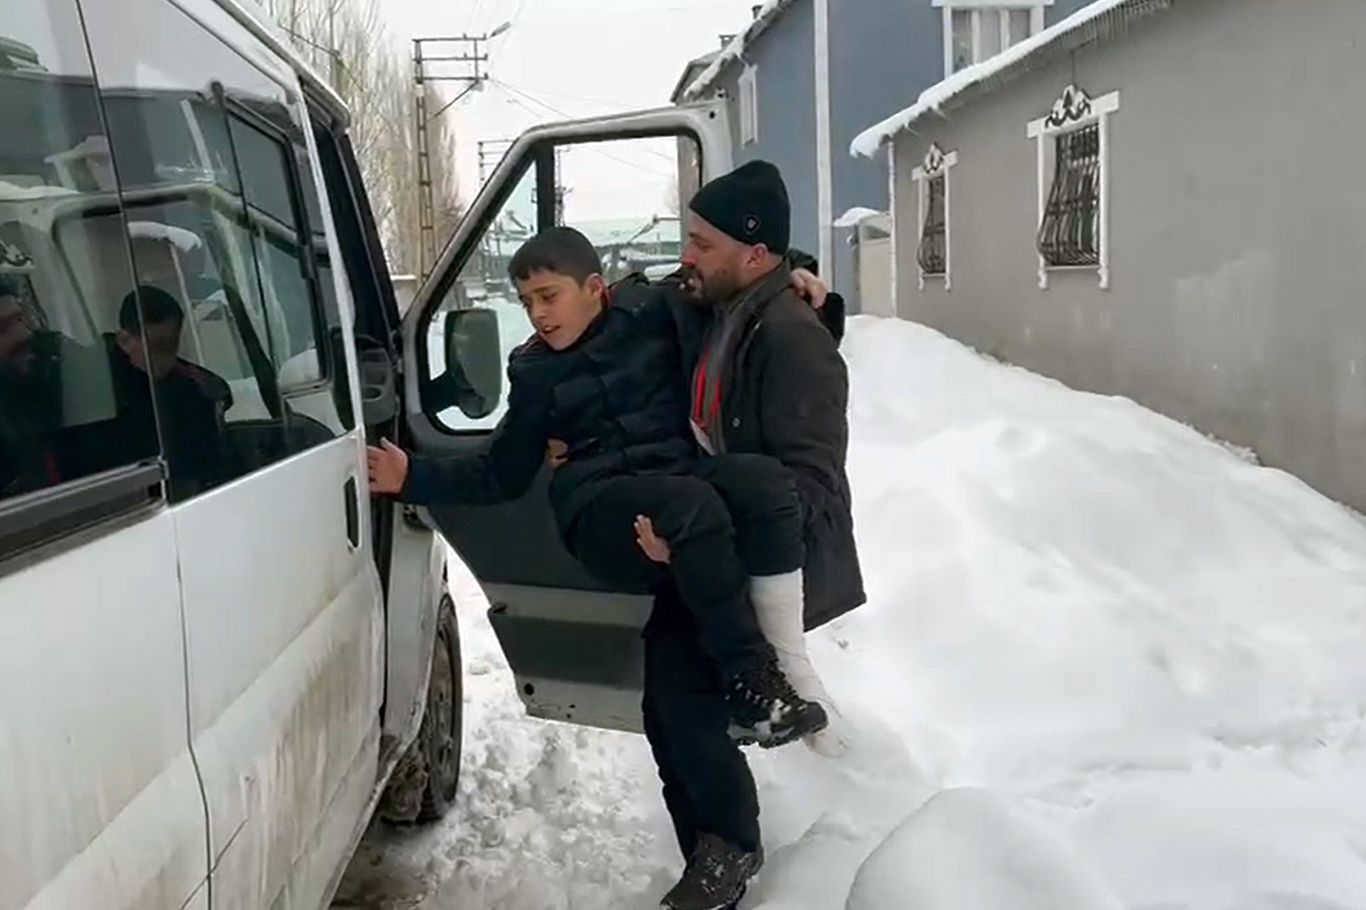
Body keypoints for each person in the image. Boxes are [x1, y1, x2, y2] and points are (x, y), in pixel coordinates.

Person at [367, 226, 830, 751]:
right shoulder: (534, 372)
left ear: (595, 287)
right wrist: (414, 477)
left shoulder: (648, 309)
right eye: (525, 302)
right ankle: (750, 679)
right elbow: (502, 472)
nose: (538, 314)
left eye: (549, 296)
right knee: (692, 506)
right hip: (597, 509)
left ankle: (787, 662)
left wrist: (793, 270)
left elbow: (724, 272)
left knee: (761, 481)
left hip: (672, 478)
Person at [627, 160, 867, 910]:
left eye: (700, 243)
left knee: (690, 709)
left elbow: (812, 488)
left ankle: (729, 857)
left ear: (752, 254)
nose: (685, 257)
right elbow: (652, 296)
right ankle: (708, 850)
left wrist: (707, 531)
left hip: (749, 563)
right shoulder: (730, 303)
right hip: (703, 546)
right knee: (666, 709)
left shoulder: (791, 339)